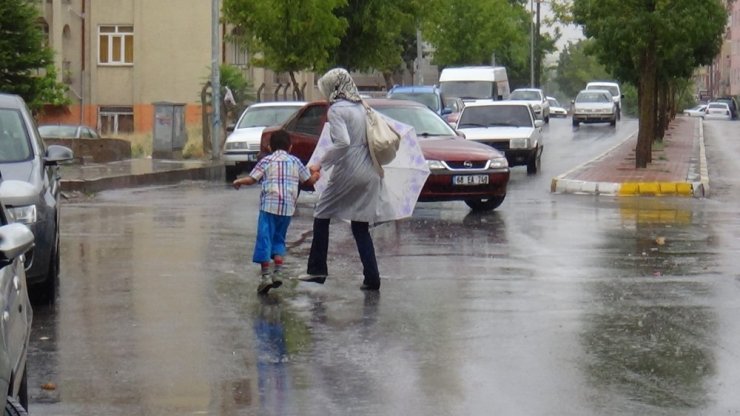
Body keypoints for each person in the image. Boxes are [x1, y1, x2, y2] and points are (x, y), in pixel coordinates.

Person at [300, 68, 383, 291]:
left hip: (349, 169)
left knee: (322, 213)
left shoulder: (337, 110)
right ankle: (372, 277)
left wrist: (320, 163)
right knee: (360, 225)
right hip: (370, 170)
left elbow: (343, 143)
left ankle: (317, 270)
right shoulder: (362, 107)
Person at [233, 129, 320, 294]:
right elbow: (308, 181)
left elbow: (252, 179)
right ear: (290, 147)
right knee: (279, 239)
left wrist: (239, 181)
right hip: (287, 209)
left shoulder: (266, 161)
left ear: (270, 147)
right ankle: (278, 272)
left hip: (269, 206)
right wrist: (316, 174)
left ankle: (265, 276)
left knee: (264, 238)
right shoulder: (295, 161)